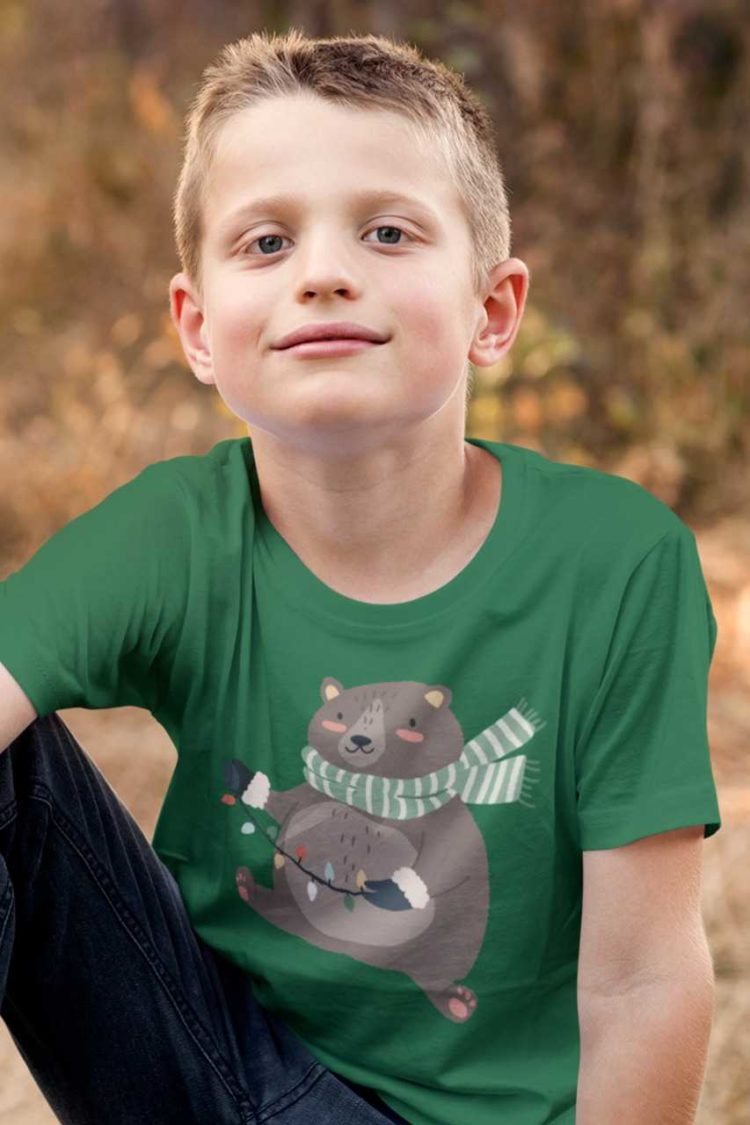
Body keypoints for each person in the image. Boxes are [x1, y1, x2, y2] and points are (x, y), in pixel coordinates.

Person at [0, 26, 722, 1125]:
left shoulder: (613, 564)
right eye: (266, 242)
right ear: (197, 328)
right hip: (208, 1067)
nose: (324, 273)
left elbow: (640, 983)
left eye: (387, 231)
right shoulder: (172, 536)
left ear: (493, 310)